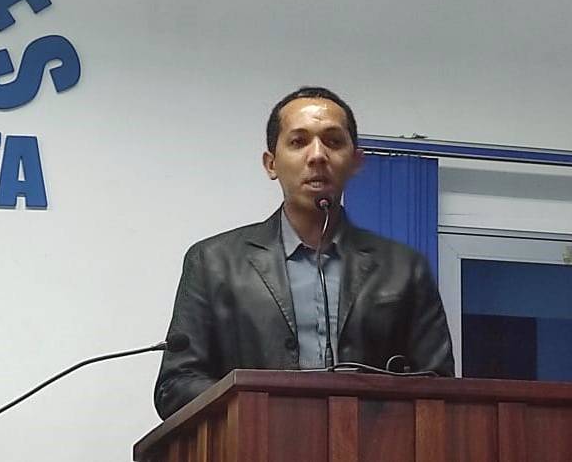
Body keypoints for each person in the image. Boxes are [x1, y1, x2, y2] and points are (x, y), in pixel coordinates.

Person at [154, 87, 454, 419]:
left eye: (333, 142)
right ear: (271, 164)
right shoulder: (214, 262)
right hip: (254, 440)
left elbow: (439, 385)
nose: (318, 155)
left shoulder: (404, 267)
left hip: (371, 441)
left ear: (356, 162)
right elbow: (176, 386)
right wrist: (259, 405)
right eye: (298, 142)